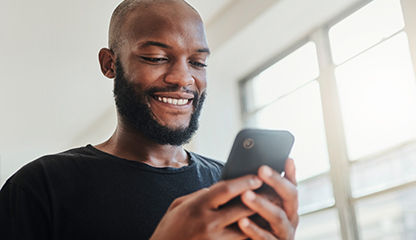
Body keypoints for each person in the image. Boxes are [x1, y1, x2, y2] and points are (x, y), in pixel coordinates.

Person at [0, 0, 299, 239]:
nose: (183, 78)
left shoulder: (226, 187)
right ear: (110, 64)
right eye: (156, 58)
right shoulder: (39, 187)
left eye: (198, 62)